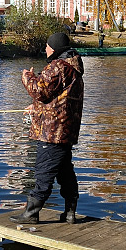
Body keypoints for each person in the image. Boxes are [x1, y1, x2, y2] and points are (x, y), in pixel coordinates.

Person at [12, 32, 84, 225]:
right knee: (65, 172)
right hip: (65, 131)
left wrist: (27, 77)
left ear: (54, 48)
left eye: (47, 46)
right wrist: (35, 107)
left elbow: (39, 91)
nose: (45, 49)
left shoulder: (58, 67)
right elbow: (59, 100)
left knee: (43, 171)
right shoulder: (73, 69)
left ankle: (31, 213)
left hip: (52, 132)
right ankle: (70, 212)